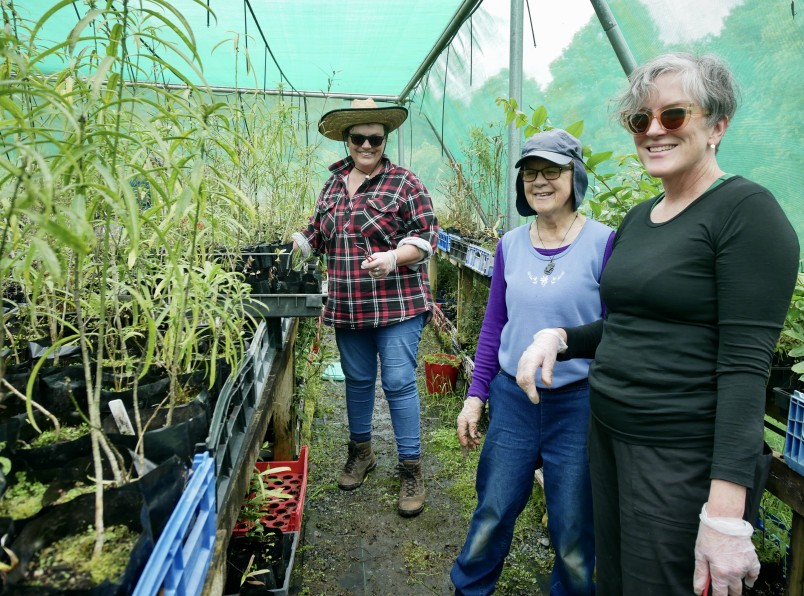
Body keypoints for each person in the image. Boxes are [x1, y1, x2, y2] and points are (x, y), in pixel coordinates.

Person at [516, 52, 800, 596]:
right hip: (608, 437)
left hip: (675, 457)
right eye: (638, 120)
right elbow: (626, 325)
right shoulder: (640, 218)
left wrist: (725, 516)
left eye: (673, 116)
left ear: (718, 125)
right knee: (615, 580)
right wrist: (561, 338)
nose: (652, 131)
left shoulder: (746, 214)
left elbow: (745, 369)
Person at [451, 129, 615, 595]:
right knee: (493, 512)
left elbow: (615, 330)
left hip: (578, 405)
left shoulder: (605, 243)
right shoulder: (510, 245)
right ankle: (469, 589)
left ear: (574, 176)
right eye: (530, 173)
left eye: (552, 171)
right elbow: (493, 326)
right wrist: (476, 396)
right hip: (514, 400)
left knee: (573, 529)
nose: (540, 181)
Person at [292, 98, 438, 517]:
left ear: (385, 139)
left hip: (397, 304)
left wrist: (395, 256)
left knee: (396, 381)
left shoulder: (404, 183)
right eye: (359, 138)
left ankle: (411, 468)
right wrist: (300, 244)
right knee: (356, 380)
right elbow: (318, 233)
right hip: (348, 305)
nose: (368, 145)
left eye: (376, 138)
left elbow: (427, 233)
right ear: (346, 139)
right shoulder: (333, 185)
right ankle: (361, 452)